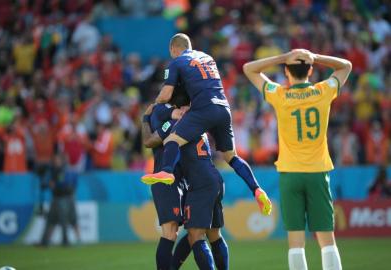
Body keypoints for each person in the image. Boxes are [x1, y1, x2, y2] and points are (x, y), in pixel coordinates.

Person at [243, 49, 352, 270]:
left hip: (290, 174)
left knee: (295, 242)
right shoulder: (323, 91)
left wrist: (283, 57)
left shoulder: (279, 94)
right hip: (318, 172)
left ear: (286, 71)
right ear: (311, 69)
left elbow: (248, 69)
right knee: (327, 241)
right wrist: (315, 56)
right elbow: (346, 66)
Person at [141, 33, 272, 217]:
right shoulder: (207, 58)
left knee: (172, 139)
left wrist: (156, 107)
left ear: (173, 49)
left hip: (203, 109)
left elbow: (166, 94)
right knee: (231, 157)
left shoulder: (177, 62)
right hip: (224, 108)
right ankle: (257, 189)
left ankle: (167, 171)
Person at [142, 88, 228, 270]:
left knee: (193, 232)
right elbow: (149, 141)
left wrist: (145, 118)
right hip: (168, 180)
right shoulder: (170, 118)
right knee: (172, 232)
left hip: (185, 180)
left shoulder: (183, 119)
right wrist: (145, 119)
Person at [39, 153, 80, 247]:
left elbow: (65, 184)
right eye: (55, 160)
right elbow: (50, 183)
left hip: (64, 197)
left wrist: (54, 184)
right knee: (52, 220)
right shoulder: (54, 171)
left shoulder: (64, 171)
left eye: (58, 160)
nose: (56, 162)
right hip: (57, 197)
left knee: (65, 219)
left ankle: (66, 240)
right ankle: (45, 241)